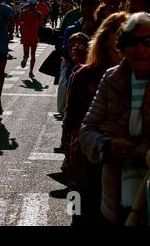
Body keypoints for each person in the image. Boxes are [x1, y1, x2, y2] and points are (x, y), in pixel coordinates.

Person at [79, 12, 150, 226]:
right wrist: (105, 145)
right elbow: (87, 130)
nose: (140, 49)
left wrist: (129, 144)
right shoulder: (112, 78)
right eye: (132, 42)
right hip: (116, 193)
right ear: (122, 45)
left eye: (148, 41)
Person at [63, 12, 129, 226]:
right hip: (85, 162)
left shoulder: (140, 76)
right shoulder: (84, 74)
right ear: (106, 40)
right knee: (78, 215)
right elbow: (71, 121)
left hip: (126, 166)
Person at [19, 0, 43, 79]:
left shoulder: (24, 12)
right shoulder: (39, 14)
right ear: (36, 4)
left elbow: (20, 20)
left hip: (25, 35)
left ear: (29, 4)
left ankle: (25, 58)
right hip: (34, 35)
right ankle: (31, 71)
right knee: (33, 55)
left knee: (26, 54)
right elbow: (41, 24)